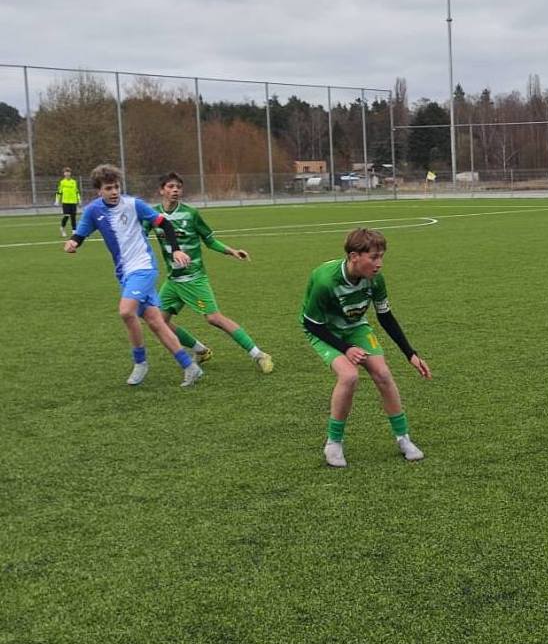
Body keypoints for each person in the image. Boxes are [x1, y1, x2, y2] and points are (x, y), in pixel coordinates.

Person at [62, 164, 202, 387]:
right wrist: (72, 243)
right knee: (155, 322)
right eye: (108, 188)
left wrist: (176, 249)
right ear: (99, 191)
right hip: (124, 273)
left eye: (116, 187)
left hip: (144, 267)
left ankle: (140, 362)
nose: (114, 192)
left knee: (126, 312)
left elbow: (164, 223)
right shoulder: (93, 211)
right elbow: (80, 234)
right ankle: (190, 367)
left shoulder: (134, 204)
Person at [302, 228, 431, 468]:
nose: (379, 264)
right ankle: (334, 443)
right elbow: (311, 324)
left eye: (381, 257)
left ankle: (403, 438)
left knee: (383, 374)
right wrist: (346, 348)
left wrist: (410, 353)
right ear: (354, 256)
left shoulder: (375, 279)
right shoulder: (325, 281)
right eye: (373, 257)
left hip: (355, 327)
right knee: (349, 376)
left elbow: (385, 316)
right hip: (324, 330)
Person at [151, 172, 273, 373]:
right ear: (161, 190)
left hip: (194, 278)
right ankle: (200, 350)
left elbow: (209, 240)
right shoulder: (153, 215)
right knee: (159, 321)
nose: (175, 190)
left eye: (178, 187)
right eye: (170, 187)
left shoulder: (191, 214)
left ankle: (259, 354)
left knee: (214, 318)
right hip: (173, 280)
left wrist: (231, 251)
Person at [55, 167, 80, 237]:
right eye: (66, 172)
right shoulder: (62, 182)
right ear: (64, 174)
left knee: (73, 216)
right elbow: (59, 192)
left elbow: (77, 191)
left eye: (68, 172)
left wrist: (79, 200)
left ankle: (74, 231)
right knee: (66, 216)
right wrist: (57, 200)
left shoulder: (74, 182)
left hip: (73, 201)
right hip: (65, 201)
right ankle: (62, 228)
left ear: (70, 173)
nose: (67, 173)